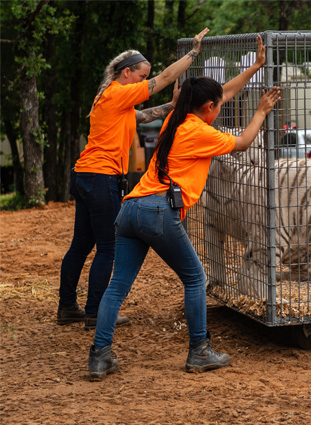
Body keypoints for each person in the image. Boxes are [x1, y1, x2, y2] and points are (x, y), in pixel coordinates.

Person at [87, 73, 281, 380]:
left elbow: (222, 94)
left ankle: (99, 356)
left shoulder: (173, 123)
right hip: (159, 212)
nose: (220, 108)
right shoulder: (201, 133)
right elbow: (243, 143)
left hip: (130, 208)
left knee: (117, 287)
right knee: (195, 278)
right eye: (218, 107)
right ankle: (199, 352)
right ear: (207, 108)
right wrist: (261, 111)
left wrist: (256, 66)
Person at [57, 29, 211, 330]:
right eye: (141, 77)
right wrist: (193, 52)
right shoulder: (118, 92)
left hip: (86, 175)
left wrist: (173, 106)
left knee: (81, 244)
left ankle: (67, 307)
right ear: (126, 73)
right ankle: (95, 313)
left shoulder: (113, 99)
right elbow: (165, 78)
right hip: (101, 177)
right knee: (108, 247)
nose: (144, 82)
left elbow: (143, 116)